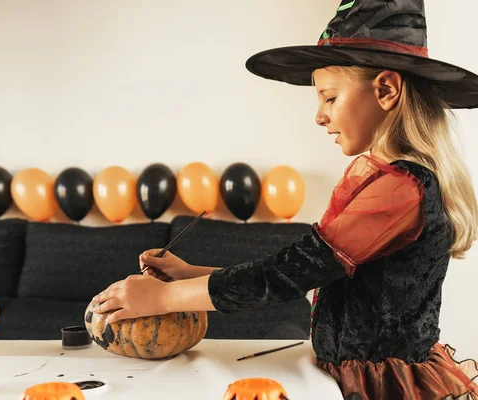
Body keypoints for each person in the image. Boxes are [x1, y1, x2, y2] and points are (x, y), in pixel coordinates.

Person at [92, 0, 478, 398]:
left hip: (379, 388)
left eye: (329, 98)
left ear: (386, 89)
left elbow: (290, 274)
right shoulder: (386, 181)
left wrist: (164, 296)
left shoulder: (398, 189)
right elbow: (305, 271)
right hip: (346, 374)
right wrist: (190, 274)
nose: (320, 116)